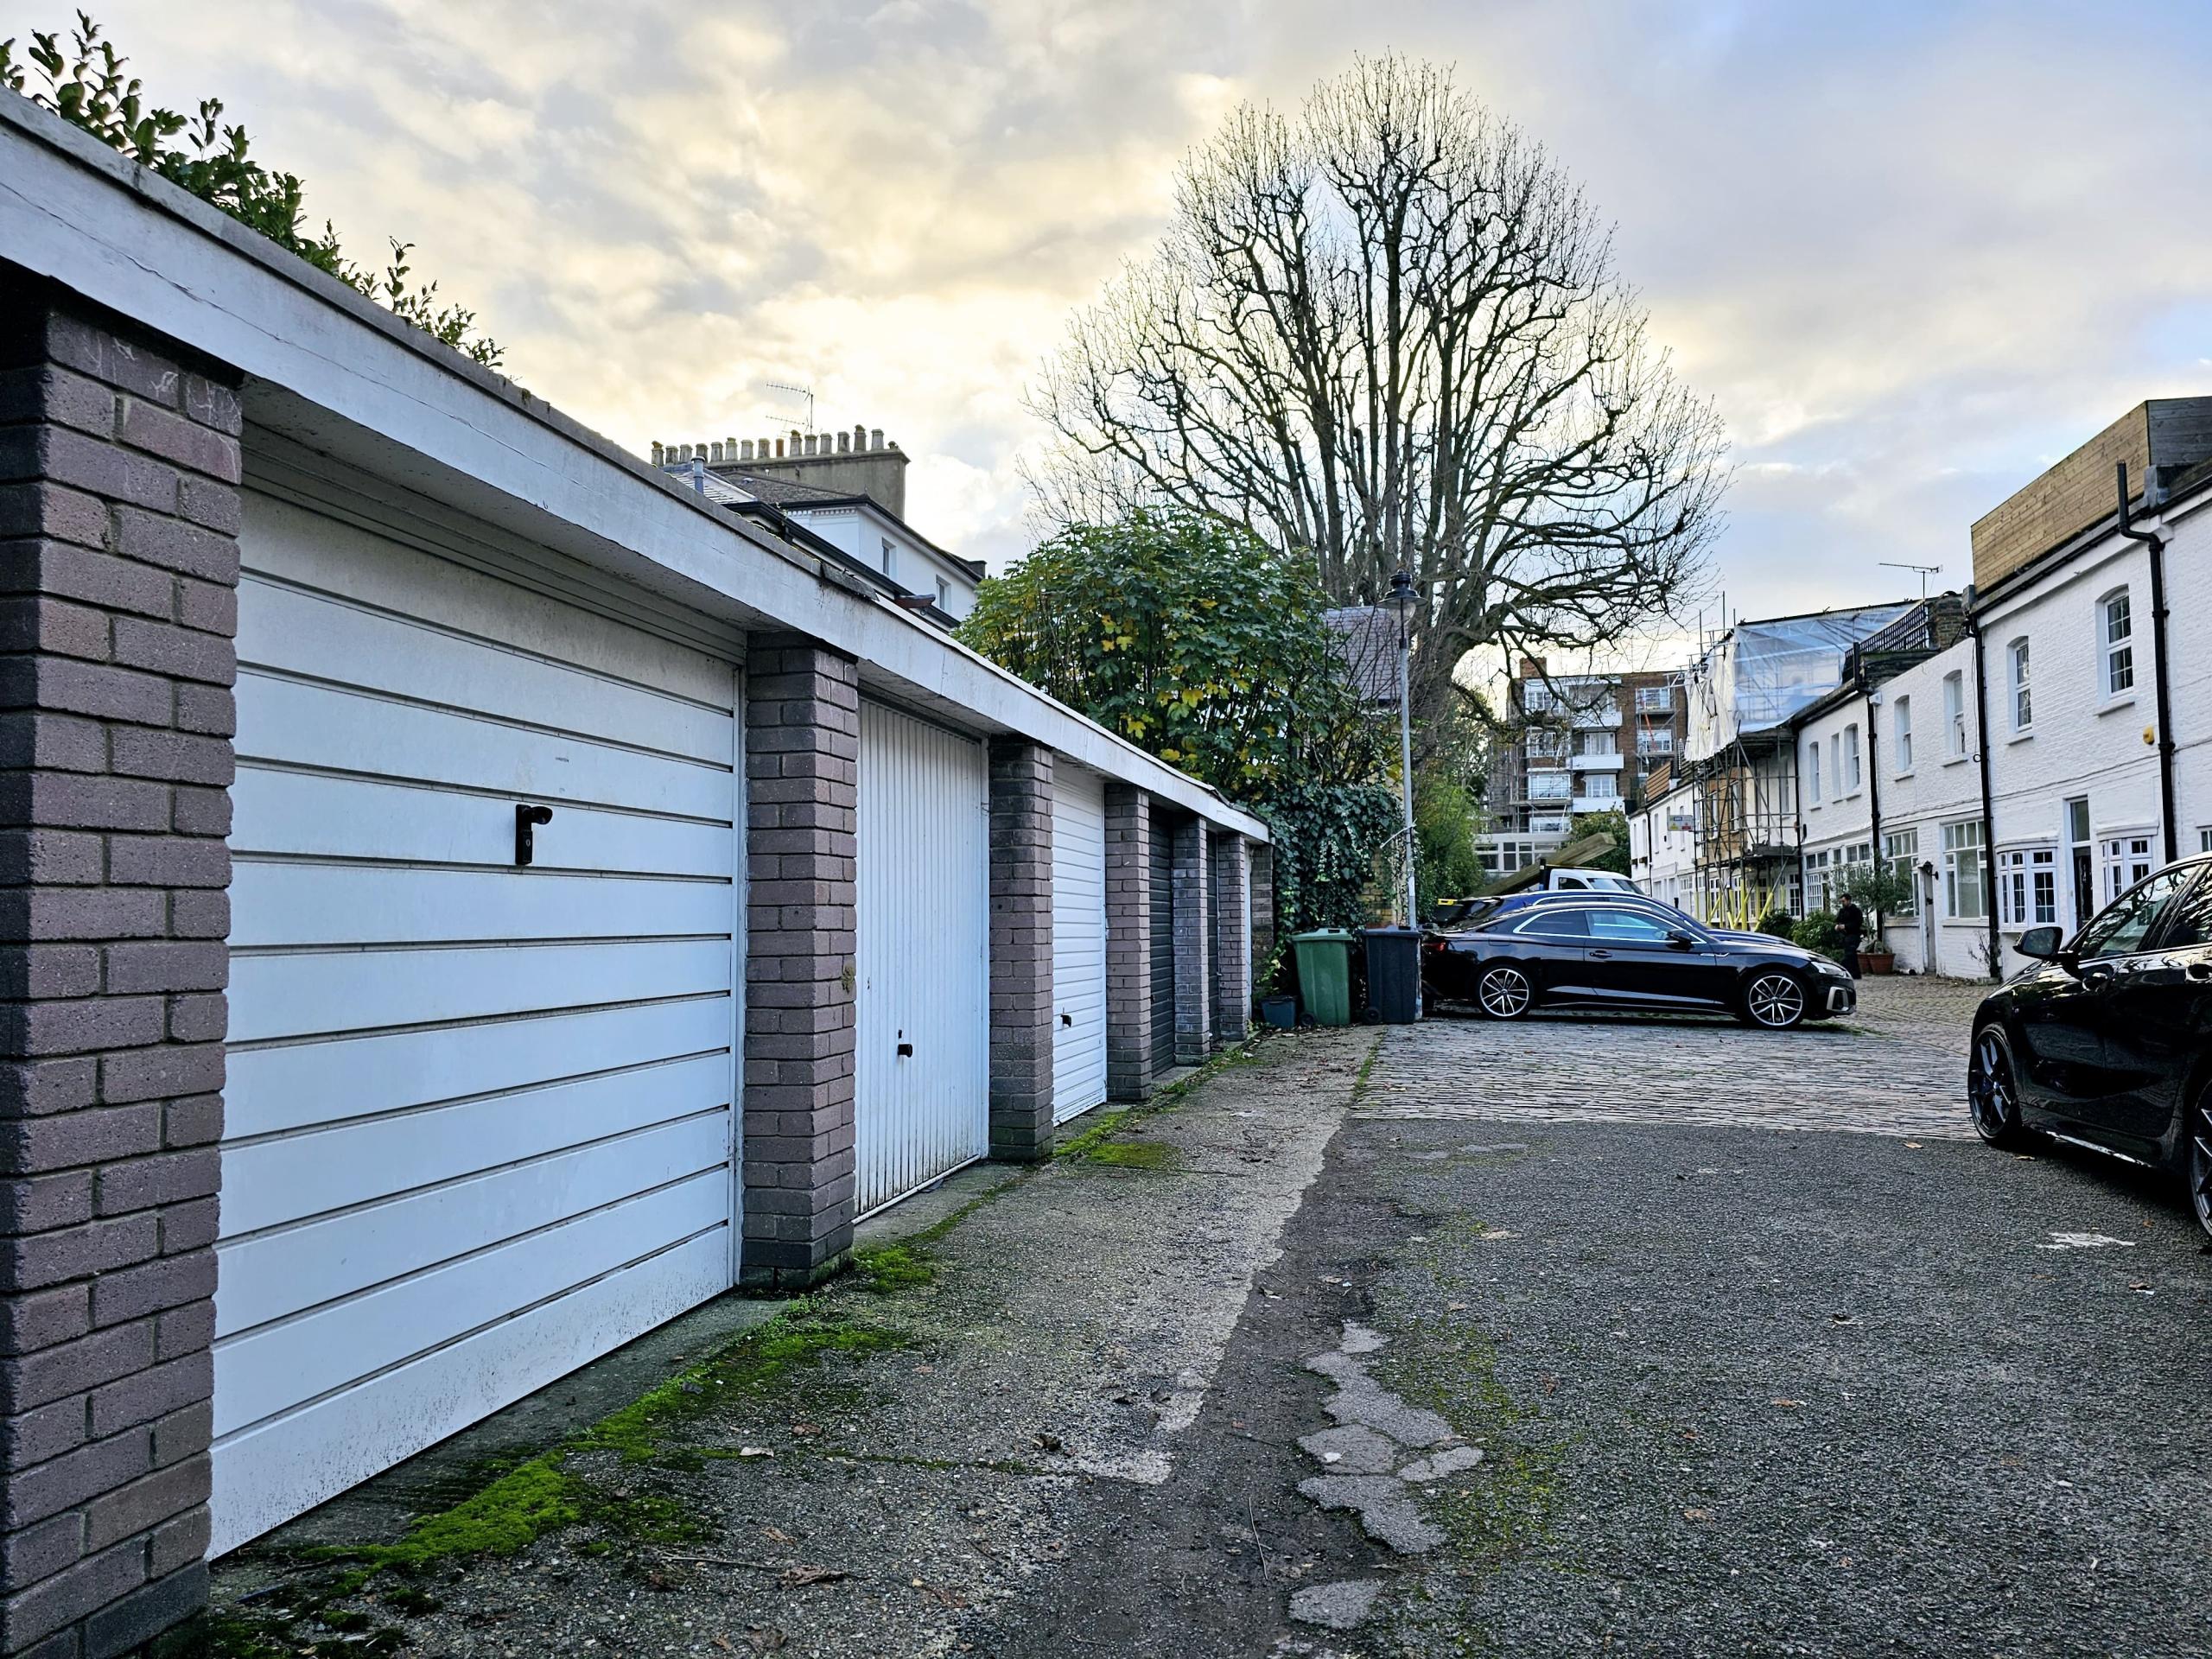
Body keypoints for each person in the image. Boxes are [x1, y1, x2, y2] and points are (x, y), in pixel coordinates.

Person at [1834, 894, 1865, 979]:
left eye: (1843, 901)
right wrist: (1837, 926)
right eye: (1841, 902)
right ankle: (1853, 974)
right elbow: (1838, 920)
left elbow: (1857, 923)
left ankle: (1851, 974)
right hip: (1844, 936)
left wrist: (1845, 926)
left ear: (1849, 900)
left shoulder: (1856, 911)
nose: (1842, 903)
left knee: (1850, 954)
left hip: (1853, 935)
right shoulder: (1842, 911)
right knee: (1850, 955)